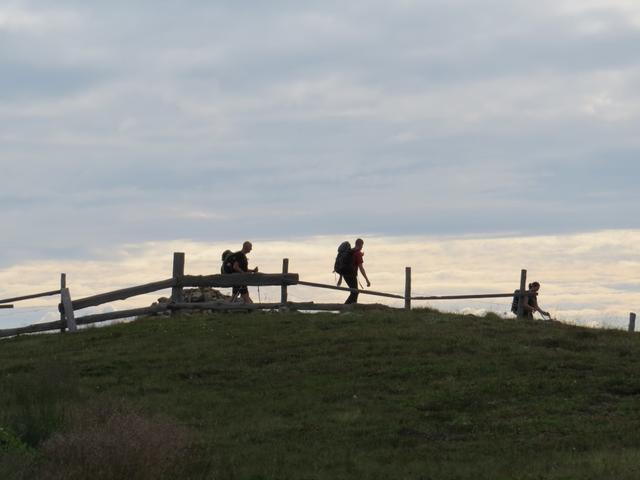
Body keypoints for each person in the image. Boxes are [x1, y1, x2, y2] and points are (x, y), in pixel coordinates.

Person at [344, 238, 371, 304]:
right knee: (355, 292)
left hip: (345, 275)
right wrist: (367, 280)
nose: (362, 247)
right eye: (362, 245)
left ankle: (351, 308)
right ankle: (345, 308)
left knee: (354, 292)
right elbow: (361, 268)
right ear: (360, 244)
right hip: (351, 275)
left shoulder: (350, 251)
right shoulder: (358, 253)